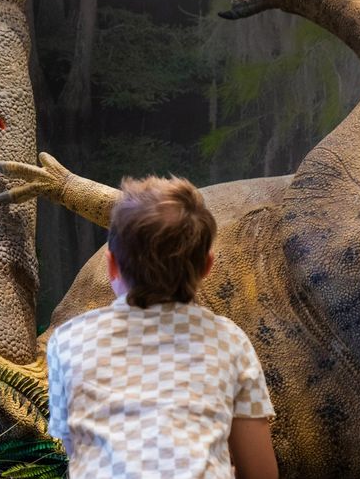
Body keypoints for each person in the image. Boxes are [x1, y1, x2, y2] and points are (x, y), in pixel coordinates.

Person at [45, 176, 278, 479]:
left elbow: (79, 451)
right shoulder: (230, 340)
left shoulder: (67, 340)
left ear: (111, 265)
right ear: (208, 266)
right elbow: (260, 472)